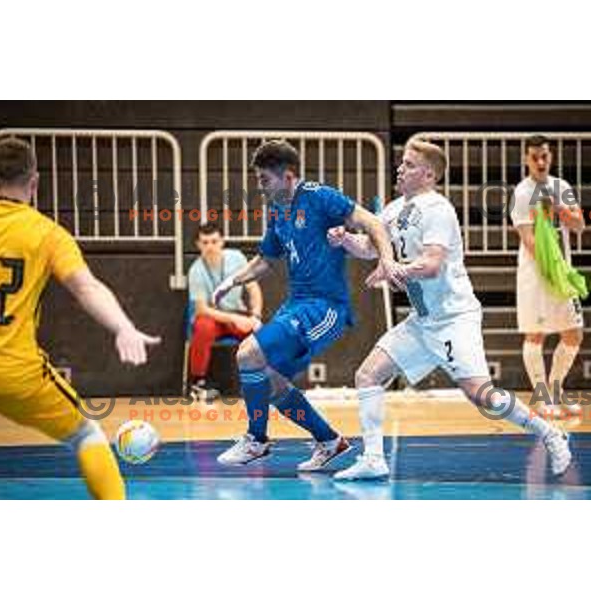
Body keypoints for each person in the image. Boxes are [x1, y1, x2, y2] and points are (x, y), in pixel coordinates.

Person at [329, 138, 572, 480]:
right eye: (402, 163)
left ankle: (549, 433)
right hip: (423, 321)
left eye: (410, 165)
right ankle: (373, 458)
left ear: (428, 174)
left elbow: (431, 264)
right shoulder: (395, 209)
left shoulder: (437, 209)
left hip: (455, 320)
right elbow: (370, 247)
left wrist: (396, 269)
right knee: (368, 374)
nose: (401, 168)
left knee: (482, 395)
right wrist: (344, 241)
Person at [0, 137, 161, 499]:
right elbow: (87, 289)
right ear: (34, 182)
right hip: (16, 374)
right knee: (87, 434)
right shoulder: (47, 234)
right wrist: (123, 327)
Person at [212, 139, 397, 469]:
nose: (261, 187)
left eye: (264, 179)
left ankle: (256, 440)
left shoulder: (319, 196)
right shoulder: (277, 210)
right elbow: (265, 260)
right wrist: (231, 281)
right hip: (295, 304)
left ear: (288, 176)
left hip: (324, 307)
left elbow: (372, 221)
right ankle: (329, 441)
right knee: (270, 380)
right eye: (258, 180)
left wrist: (386, 260)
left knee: (247, 353)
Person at [511, 135, 585, 418]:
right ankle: (541, 398)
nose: (540, 162)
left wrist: (559, 208)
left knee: (573, 334)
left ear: (550, 157)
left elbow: (578, 224)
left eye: (545, 156)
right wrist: (550, 270)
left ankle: (555, 389)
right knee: (536, 334)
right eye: (534, 157)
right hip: (536, 276)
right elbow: (529, 239)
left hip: (562, 272)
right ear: (526, 159)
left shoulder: (561, 187)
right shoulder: (521, 192)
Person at [187, 223, 263, 400]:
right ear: (198, 245)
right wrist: (234, 319)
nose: (210, 246)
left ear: (222, 242)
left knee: (258, 331)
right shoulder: (195, 270)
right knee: (202, 328)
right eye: (205, 243)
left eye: (214, 241)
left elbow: (253, 288)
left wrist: (255, 317)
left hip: (235, 313)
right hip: (213, 317)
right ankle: (198, 383)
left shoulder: (236, 258)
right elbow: (201, 309)